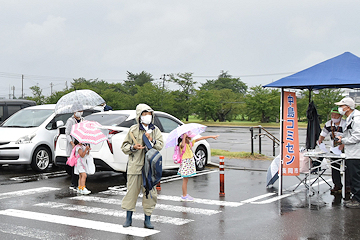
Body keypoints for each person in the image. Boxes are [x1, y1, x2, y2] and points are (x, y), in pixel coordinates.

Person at [121, 103, 164, 229]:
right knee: (131, 192)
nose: (147, 116)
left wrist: (152, 140)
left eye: (149, 114)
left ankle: (148, 219)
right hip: (135, 166)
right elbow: (124, 147)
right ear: (139, 116)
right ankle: (128, 219)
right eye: (144, 114)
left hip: (150, 167)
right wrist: (133, 147)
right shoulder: (133, 130)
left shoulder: (155, 130)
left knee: (150, 193)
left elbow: (160, 145)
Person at [177, 132, 219, 201]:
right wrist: (184, 137)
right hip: (185, 162)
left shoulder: (190, 143)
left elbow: (200, 138)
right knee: (185, 180)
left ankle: (185, 194)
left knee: (186, 180)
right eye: (188, 136)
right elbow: (182, 145)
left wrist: (211, 136)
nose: (190, 137)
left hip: (189, 161)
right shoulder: (182, 144)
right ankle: (184, 195)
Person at [317, 107, 349, 194]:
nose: (333, 117)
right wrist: (320, 140)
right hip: (334, 149)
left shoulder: (345, 124)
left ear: (340, 116)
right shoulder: (328, 124)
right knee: (335, 167)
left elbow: (349, 136)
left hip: (345, 148)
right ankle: (337, 185)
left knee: (347, 168)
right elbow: (323, 134)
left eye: (335, 115)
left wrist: (343, 144)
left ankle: (348, 186)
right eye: (332, 115)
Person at [335, 97, 360, 208]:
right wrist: (343, 137)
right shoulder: (351, 117)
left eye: (341, 106)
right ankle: (355, 198)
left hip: (356, 153)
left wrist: (343, 140)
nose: (340, 108)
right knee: (353, 177)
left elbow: (357, 136)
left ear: (348, 107)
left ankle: (357, 200)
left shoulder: (356, 118)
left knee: (356, 178)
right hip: (352, 153)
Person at [65, 107, 84, 190]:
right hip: (73, 145)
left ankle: (79, 183)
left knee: (80, 164)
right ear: (74, 112)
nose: (80, 112)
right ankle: (74, 183)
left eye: (81, 111)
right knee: (74, 165)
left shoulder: (83, 120)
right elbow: (67, 134)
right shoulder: (70, 121)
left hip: (80, 145)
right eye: (79, 111)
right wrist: (72, 143)